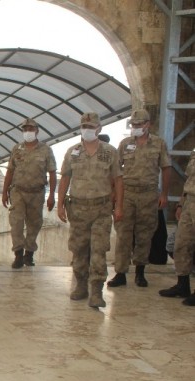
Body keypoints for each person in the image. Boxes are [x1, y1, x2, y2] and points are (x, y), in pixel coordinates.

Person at [57, 112, 123, 308]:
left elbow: (118, 180)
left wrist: (119, 205)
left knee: (99, 250)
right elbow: (65, 179)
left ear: (99, 128)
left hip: (101, 209)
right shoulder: (72, 152)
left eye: (91, 126)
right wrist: (60, 204)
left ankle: (96, 290)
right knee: (78, 250)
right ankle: (81, 286)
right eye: (84, 126)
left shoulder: (109, 152)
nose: (87, 129)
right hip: (77, 209)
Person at [107, 109, 171, 288]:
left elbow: (166, 168)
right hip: (127, 194)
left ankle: (140, 272)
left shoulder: (158, 143)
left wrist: (164, 194)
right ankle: (120, 273)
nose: (135, 127)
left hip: (149, 195)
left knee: (145, 234)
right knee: (123, 234)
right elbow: (116, 170)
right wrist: (114, 194)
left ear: (147, 124)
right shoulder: (125, 143)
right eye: (133, 125)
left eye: (139, 124)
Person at [1, 118, 57, 268]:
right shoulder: (16, 149)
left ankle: (29, 254)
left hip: (37, 193)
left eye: (31, 129)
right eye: (25, 129)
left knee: (34, 224)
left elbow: (52, 173)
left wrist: (52, 195)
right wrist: (4, 192)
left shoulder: (46, 150)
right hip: (18, 191)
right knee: (16, 223)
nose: (28, 132)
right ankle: (18, 253)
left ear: (37, 131)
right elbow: (10, 171)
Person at [159, 150, 195, 305]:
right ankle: (183, 285)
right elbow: (189, 181)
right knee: (181, 245)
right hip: (189, 202)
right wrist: (181, 204)